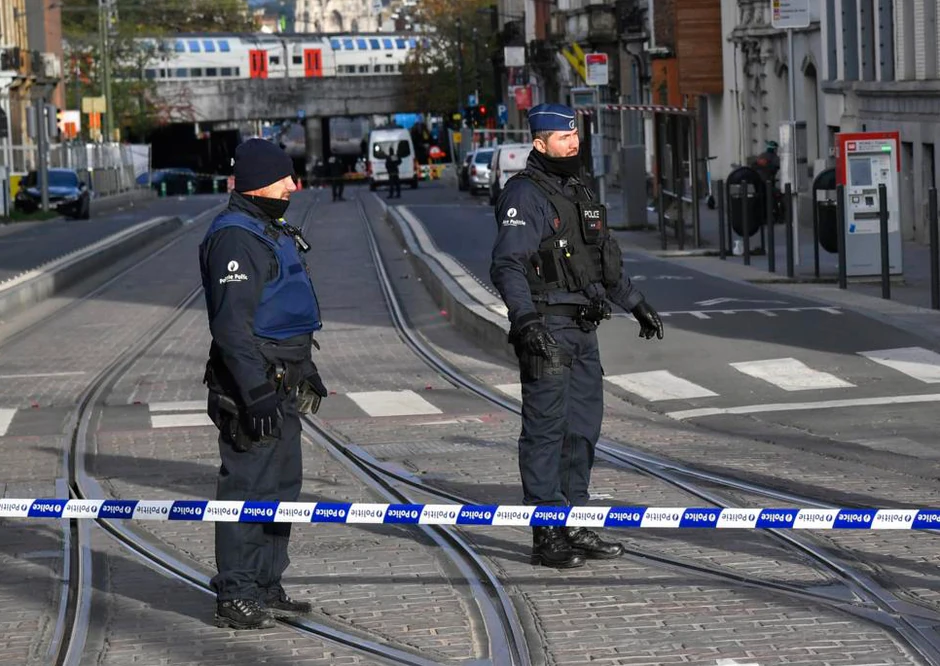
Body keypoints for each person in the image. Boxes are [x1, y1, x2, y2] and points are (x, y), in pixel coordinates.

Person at [490, 104, 664, 569]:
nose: (573, 144)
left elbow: (601, 262)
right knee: (546, 431)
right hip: (547, 328)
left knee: (582, 430)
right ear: (539, 143)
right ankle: (547, 533)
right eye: (563, 138)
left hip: (584, 329)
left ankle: (574, 520)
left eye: (574, 137)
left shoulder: (578, 190)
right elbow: (508, 265)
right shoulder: (523, 195)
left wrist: (635, 303)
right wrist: (526, 322)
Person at [199, 139, 329, 630]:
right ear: (257, 182)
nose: (293, 186)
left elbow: (283, 310)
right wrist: (254, 391)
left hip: (283, 382)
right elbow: (232, 328)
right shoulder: (235, 238)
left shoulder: (268, 229)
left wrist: (305, 368)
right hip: (251, 388)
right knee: (247, 487)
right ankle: (236, 593)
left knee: (281, 486)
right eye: (283, 178)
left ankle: (266, 584)